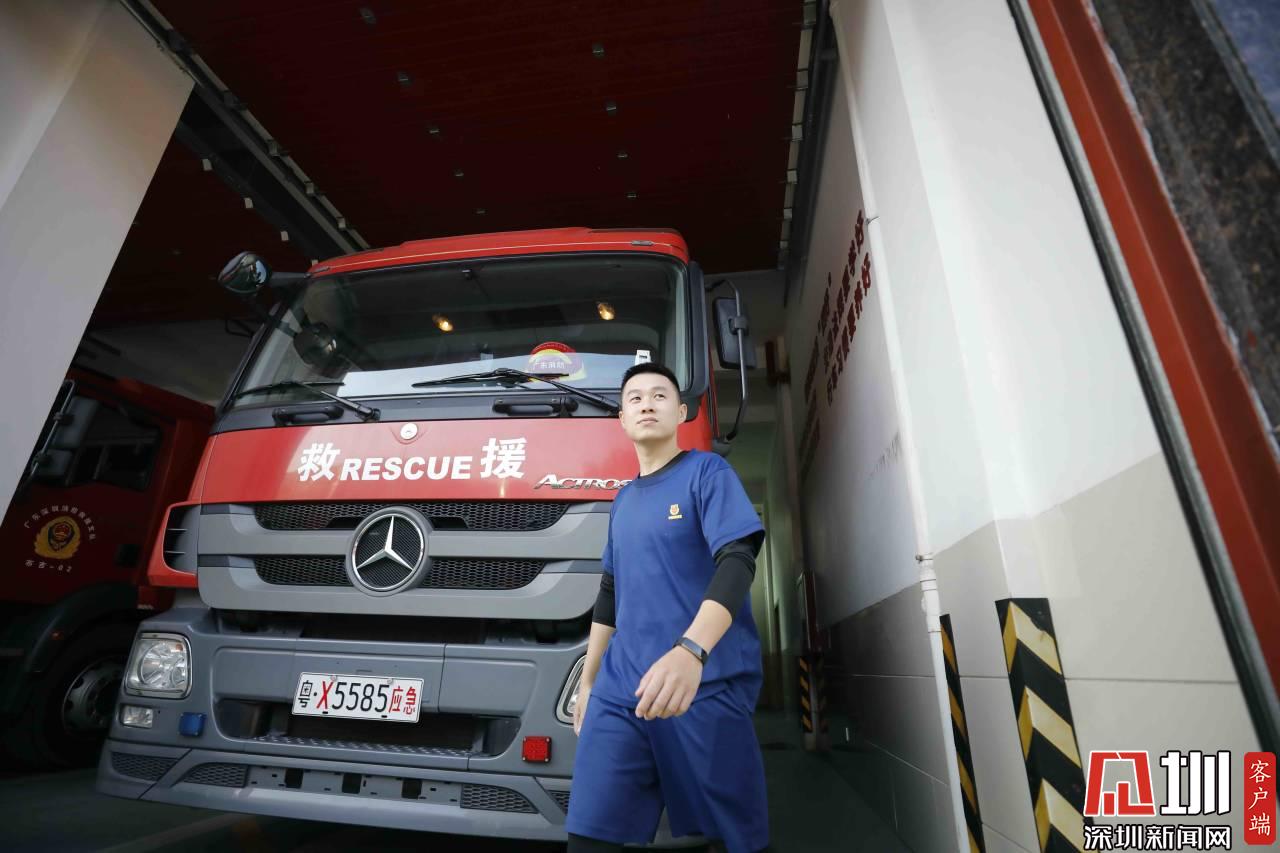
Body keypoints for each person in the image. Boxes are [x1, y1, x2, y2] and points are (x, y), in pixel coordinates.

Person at [566, 362, 769, 853]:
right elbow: (610, 590)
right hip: (621, 690)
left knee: (736, 839)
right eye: (635, 398)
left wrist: (691, 651)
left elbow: (738, 559)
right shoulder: (622, 500)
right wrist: (589, 681)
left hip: (702, 682)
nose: (647, 404)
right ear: (622, 419)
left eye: (659, 396)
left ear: (680, 412)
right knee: (590, 832)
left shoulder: (707, 473)